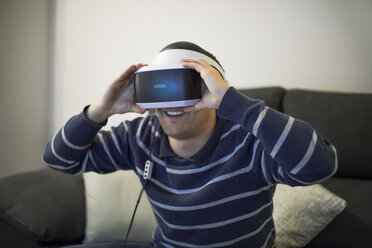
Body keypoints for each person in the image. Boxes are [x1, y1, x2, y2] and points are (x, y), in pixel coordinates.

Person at [43, 41, 338, 248]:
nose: (172, 103)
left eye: (185, 87)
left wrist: (238, 106)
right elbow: (60, 160)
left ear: (211, 89)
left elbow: (319, 166)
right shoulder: (140, 135)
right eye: (161, 87)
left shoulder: (249, 138)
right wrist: (99, 111)